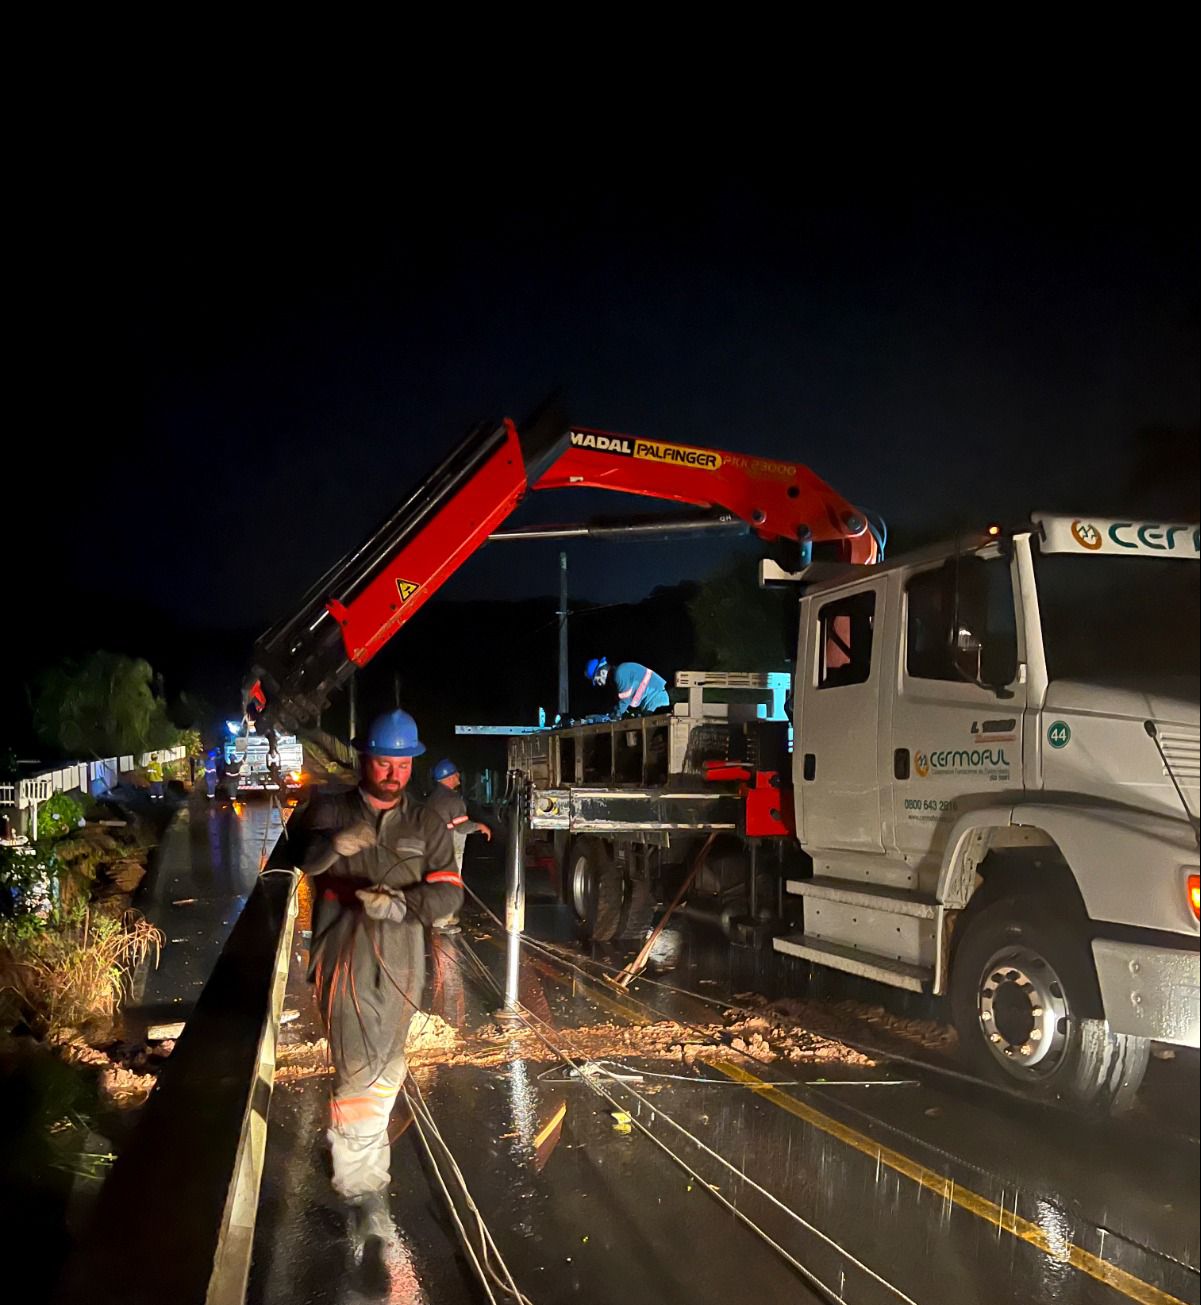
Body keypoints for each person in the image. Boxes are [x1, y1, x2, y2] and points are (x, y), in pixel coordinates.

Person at [288, 708, 462, 1257]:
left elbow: (450, 892)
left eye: (404, 764)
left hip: (404, 959)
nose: (394, 773)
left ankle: (353, 1149)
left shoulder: (426, 824)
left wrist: (405, 905)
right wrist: (333, 848)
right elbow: (294, 861)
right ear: (366, 759)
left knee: (389, 1066)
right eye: (385, 762)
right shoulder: (331, 809)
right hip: (345, 955)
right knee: (359, 1070)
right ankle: (363, 1190)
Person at [423, 758, 492, 933]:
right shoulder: (453, 800)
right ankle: (440, 921)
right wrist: (479, 826)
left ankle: (443, 916)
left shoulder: (433, 798)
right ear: (448, 777)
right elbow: (461, 827)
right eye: (455, 774)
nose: (458, 777)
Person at [585, 656, 670, 717]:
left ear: (602, 672)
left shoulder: (619, 674)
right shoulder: (619, 676)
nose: (598, 684)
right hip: (653, 701)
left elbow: (625, 700)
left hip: (656, 700)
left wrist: (613, 716)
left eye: (597, 680)